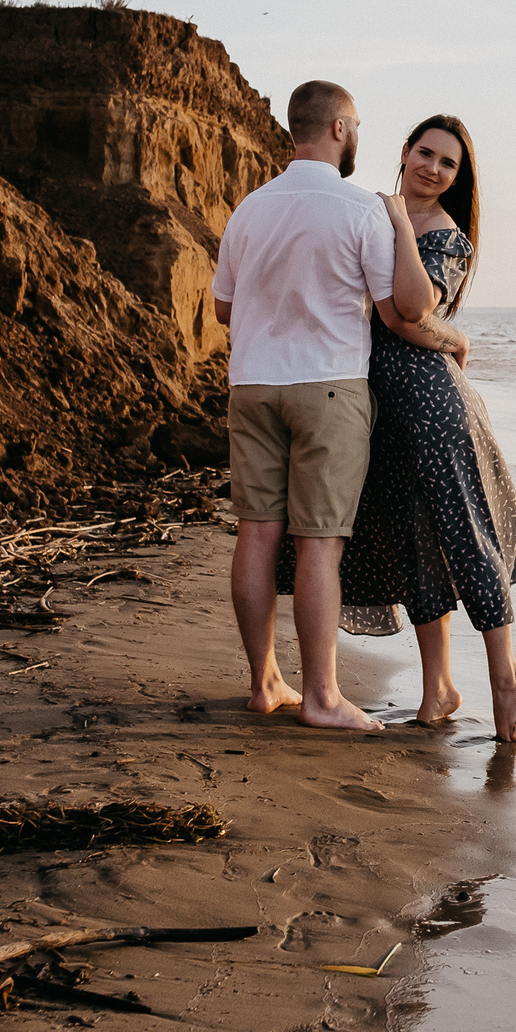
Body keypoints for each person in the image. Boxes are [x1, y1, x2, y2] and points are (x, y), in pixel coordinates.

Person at [296, 114, 516, 742]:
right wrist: (453, 335)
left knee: (465, 534)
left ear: (458, 177)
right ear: (404, 151)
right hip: (378, 405)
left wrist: (404, 226)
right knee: (413, 544)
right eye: (425, 153)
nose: (433, 168)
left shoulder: (445, 235)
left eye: (447, 163)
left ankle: (507, 675)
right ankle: (439, 688)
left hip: (432, 405)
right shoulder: (368, 212)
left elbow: (408, 312)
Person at [210, 80, 432, 732]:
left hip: (252, 386)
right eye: (356, 125)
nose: (357, 135)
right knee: (318, 544)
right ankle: (322, 697)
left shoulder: (249, 209)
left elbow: (223, 307)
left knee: (256, 533)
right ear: (339, 128)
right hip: (329, 388)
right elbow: (400, 309)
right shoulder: (360, 209)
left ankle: (264, 683)